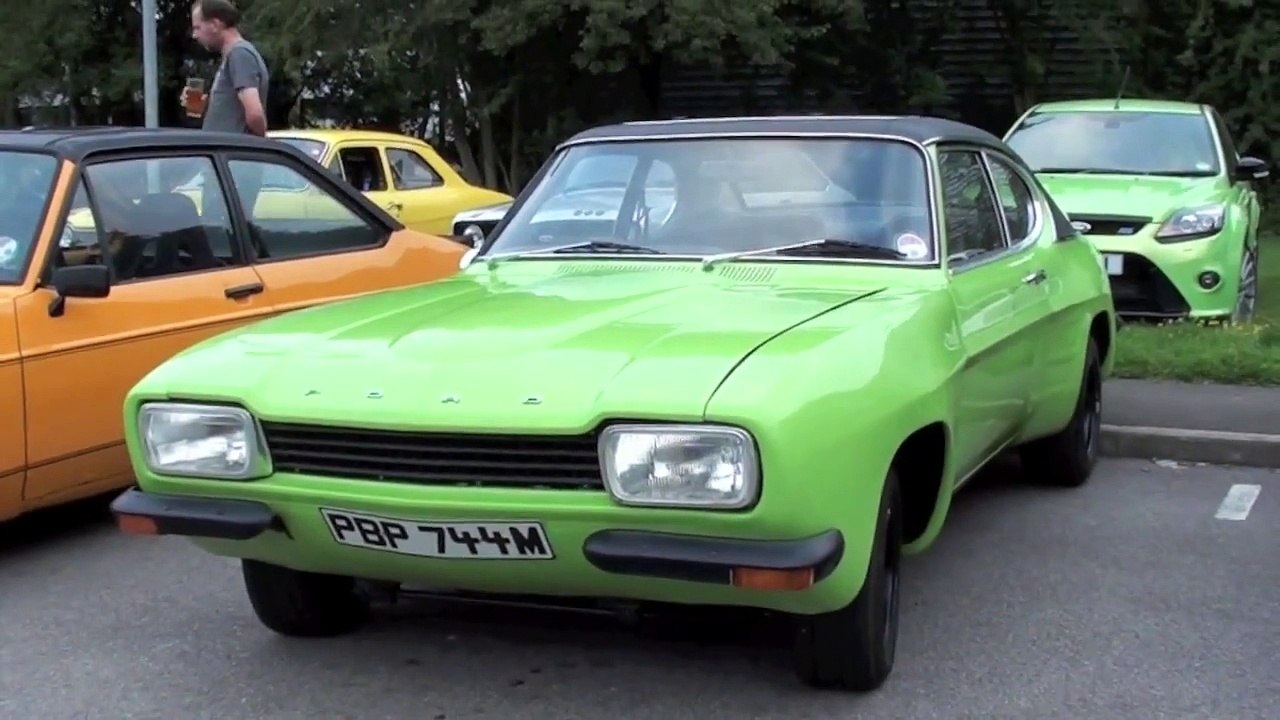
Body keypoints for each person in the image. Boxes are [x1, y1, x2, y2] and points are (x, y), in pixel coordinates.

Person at [185, 0, 269, 215]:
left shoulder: (239, 55)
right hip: (228, 166)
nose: (195, 35)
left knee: (220, 235)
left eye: (198, 27)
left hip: (233, 168)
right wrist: (202, 106)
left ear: (215, 24)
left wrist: (259, 144)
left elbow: (254, 113)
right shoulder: (234, 56)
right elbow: (235, 111)